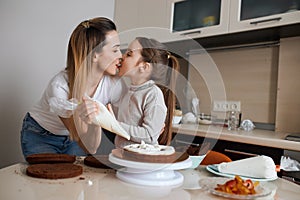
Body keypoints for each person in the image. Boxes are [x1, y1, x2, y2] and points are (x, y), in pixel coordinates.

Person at [20, 17, 123, 158]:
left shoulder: (113, 84)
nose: (121, 56)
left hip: (72, 138)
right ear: (94, 55)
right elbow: (85, 143)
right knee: (47, 178)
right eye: (115, 50)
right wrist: (95, 123)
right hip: (41, 135)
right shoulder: (60, 87)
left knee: (76, 177)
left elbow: (94, 145)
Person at [109, 37, 180, 148]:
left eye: (129, 54)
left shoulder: (153, 94)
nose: (121, 56)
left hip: (141, 161)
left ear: (144, 67)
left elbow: (149, 136)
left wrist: (115, 125)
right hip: (123, 157)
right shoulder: (128, 92)